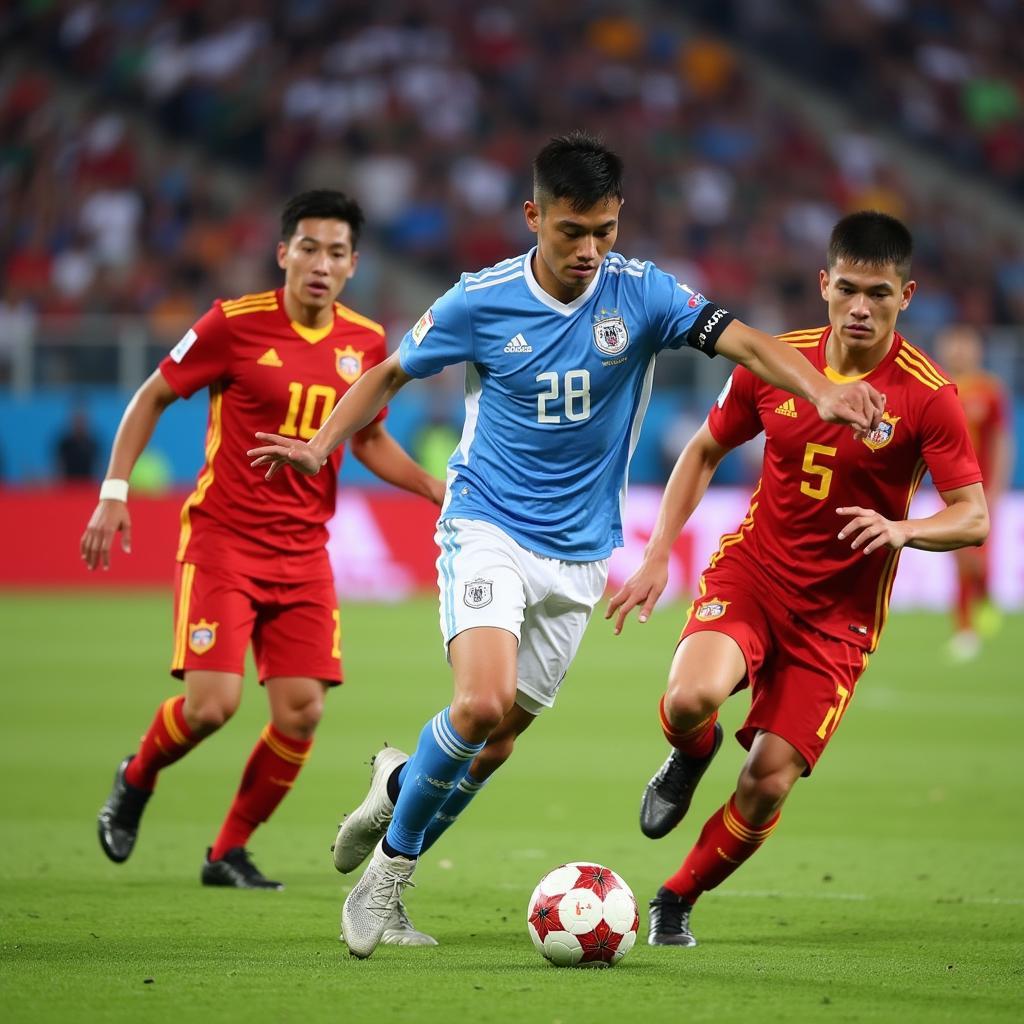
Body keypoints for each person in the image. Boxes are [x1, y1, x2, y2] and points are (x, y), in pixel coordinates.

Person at [249, 132, 884, 959]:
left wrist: (823, 388)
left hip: (580, 553)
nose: (589, 251)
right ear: (533, 217)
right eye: (571, 232)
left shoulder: (645, 295)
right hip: (487, 525)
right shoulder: (480, 300)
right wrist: (322, 442)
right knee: (477, 706)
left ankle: (401, 784)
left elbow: (752, 344)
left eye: (605, 231)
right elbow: (389, 375)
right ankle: (387, 877)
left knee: (496, 739)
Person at [606, 211, 989, 947]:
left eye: (878, 293)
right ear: (824, 283)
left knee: (768, 782)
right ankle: (690, 755)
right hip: (756, 574)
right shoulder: (777, 364)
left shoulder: (927, 396)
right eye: (847, 288)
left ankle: (676, 898)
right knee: (688, 700)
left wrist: (904, 529)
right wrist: (657, 554)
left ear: (906, 295)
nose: (860, 307)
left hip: (840, 615)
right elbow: (703, 451)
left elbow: (972, 517)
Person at [83, 191, 444, 938]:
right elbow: (153, 395)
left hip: (306, 549)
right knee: (213, 705)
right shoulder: (233, 323)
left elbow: (369, 438)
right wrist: (114, 490)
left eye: (337, 252)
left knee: (302, 711)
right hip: (224, 540)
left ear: (353, 265)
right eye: (308, 248)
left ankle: (229, 851)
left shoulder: (365, 340)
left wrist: (434, 488)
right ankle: (136, 777)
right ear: (284, 253)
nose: (321, 263)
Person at [934, 325, 1012, 661]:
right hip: (948, 488)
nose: (959, 352)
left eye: (965, 345)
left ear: (977, 350)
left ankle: (985, 602)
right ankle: (967, 628)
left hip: (980, 490)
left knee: (976, 557)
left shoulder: (990, 391)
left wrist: (997, 486)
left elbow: (1001, 441)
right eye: (953, 345)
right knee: (960, 556)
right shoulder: (937, 388)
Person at [55, 407, 101, 480]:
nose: (79, 424)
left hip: (88, 485)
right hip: (68, 485)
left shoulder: (92, 444)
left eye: (82, 421)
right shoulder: (65, 444)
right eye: (77, 421)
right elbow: (59, 467)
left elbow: (98, 467)